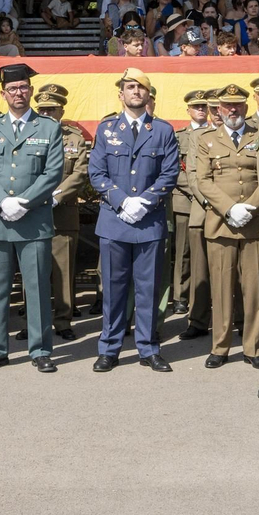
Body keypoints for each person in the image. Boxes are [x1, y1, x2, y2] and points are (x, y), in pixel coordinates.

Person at [88, 66, 181, 373]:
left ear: (148, 94)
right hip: (114, 220)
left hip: (148, 220)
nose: (136, 92)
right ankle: (110, 347)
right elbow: (96, 173)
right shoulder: (106, 129)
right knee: (114, 288)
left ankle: (148, 347)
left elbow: (170, 172)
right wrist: (122, 200)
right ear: (121, 94)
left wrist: (145, 201)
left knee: (148, 288)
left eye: (141, 88)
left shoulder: (163, 130)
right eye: (130, 87)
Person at [0, 64, 65, 372]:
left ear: (32, 91)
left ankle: (40, 349)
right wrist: (2, 202)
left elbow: (53, 172)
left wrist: (24, 202)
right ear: (3, 94)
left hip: (33, 219)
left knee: (37, 288)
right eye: (13, 89)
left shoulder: (49, 127)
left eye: (24, 87)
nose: (19, 93)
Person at [192, 83, 259, 370]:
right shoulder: (206, 139)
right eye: (227, 105)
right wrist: (229, 208)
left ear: (246, 108)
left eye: (238, 105)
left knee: (255, 288)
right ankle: (220, 346)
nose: (233, 109)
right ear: (219, 110)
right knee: (222, 288)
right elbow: (202, 181)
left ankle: (254, 347)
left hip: (255, 222)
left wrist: (249, 207)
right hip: (221, 223)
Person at [36, 84, 91, 339]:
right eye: (43, 109)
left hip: (63, 212)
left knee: (64, 272)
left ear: (61, 111)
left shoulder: (74, 138)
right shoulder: (28, 134)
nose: (46, 114)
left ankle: (63, 321)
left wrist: (57, 196)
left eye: (52, 109)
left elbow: (80, 173)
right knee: (33, 271)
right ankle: (35, 322)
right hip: (33, 214)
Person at [170, 89, 211, 338]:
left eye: (203, 107)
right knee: (184, 252)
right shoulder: (179, 136)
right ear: (188, 110)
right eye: (196, 107)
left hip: (209, 201)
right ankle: (181, 296)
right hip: (186, 200)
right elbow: (176, 169)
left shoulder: (212, 132)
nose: (200, 110)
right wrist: (195, 190)